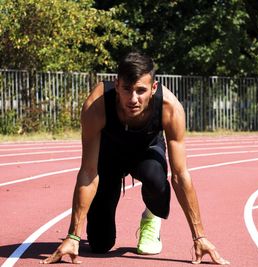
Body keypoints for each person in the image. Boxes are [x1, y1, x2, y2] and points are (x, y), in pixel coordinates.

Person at [40, 52, 229, 265]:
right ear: (117, 85)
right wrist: (73, 236)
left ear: (154, 88)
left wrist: (199, 236)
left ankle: (151, 216)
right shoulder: (97, 105)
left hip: (146, 151)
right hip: (109, 155)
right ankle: (91, 234)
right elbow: (88, 172)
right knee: (100, 244)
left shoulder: (170, 108)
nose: (133, 99)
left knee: (155, 177)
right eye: (127, 90)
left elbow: (180, 174)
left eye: (141, 91)